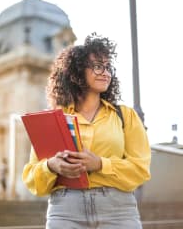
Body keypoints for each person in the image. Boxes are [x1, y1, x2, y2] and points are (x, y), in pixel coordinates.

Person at [22, 32, 151, 229]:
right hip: (65, 211)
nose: (106, 72)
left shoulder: (125, 115)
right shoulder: (53, 120)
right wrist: (51, 166)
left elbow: (140, 170)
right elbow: (33, 180)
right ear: (77, 71)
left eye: (108, 67)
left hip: (118, 211)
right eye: (98, 66)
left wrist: (100, 164)